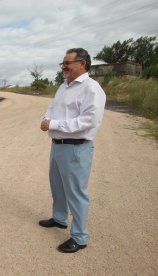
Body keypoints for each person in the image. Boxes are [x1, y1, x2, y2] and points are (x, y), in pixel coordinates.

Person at [39, 48, 106, 253]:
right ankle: (60, 218)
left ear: (83, 63)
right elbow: (53, 108)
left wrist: (54, 124)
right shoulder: (64, 86)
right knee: (57, 186)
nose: (63, 67)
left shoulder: (92, 89)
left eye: (67, 63)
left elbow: (88, 121)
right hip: (58, 146)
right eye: (63, 63)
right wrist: (46, 119)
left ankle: (80, 237)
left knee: (76, 194)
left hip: (76, 148)